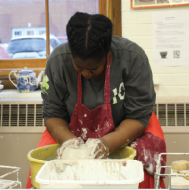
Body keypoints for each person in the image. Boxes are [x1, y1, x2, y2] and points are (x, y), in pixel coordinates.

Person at [26, 12, 167, 189]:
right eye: (79, 68)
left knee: (142, 168)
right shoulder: (57, 62)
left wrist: (106, 144)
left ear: (107, 52)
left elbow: (138, 116)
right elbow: (52, 114)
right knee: (40, 174)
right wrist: (71, 144)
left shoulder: (133, 58)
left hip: (127, 127)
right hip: (70, 129)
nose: (86, 74)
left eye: (93, 69)